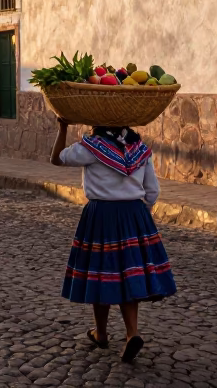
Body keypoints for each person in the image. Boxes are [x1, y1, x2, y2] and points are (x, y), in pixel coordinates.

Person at [50, 118, 176, 364]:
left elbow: (57, 158)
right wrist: (141, 212)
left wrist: (63, 127)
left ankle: (102, 332)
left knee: (101, 272)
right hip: (134, 214)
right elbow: (153, 191)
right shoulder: (140, 149)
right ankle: (132, 334)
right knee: (127, 273)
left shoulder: (91, 148)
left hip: (101, 216)